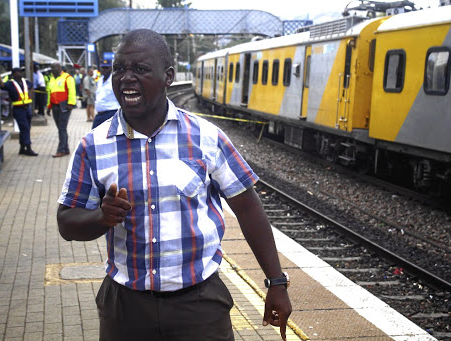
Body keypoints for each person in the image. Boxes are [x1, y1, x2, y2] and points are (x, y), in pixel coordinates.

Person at [56, 29, 292, 341]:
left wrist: (276, 282)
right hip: (126, 308)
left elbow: (248, 208)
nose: (126, 78)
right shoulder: (93, 146)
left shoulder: (207, 137)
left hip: (200, 307)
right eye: (119, 69)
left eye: (139, 69)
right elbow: (66, 222)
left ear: (168, 77)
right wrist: (102, 217)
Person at [0, 68, 38, 156]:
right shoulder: (10, 84)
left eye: (21, 72)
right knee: (25, 128)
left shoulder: (25, 82)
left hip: (27, 108)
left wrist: (30, 97)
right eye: (18, 72)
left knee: (26, 128)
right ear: (13, 74)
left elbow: (31, 87)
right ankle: (28, 148)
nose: (20, 73)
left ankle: (22, 148)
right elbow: (1, 86)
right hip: (18, 109)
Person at [47, 62, 76, 158]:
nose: (52, 69)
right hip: (55, 106)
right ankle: (66, 149)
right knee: (60, 128)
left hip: (64, 106)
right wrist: (48, 106)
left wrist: (70, 104)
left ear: (59, 68)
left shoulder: (68, 78)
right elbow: (49, 93)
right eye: (51, 68)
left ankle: (61, 150)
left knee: (62, 128)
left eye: (54, 67)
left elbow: (72, 91)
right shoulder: (51, 79)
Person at [92, 59, 119, 129]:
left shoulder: (114, 81)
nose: (104, 70)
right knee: (93, 136)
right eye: (103, 68)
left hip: (111, 113)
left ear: (110, 68)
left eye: (106, 68)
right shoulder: (100, 80)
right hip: (100, 114)